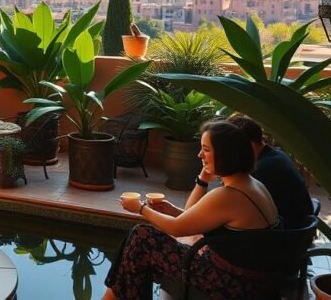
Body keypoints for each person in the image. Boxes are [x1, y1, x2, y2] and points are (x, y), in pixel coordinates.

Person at [102, 121, 280, 300]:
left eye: (206, 149)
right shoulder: (253, 185)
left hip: (233, 284)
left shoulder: (228, 195)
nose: (200, 154)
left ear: (225, 154)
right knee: (137, 247)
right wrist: (200, 182)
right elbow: (191, 218)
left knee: (141, 238)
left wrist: (141, 208)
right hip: (252, 280)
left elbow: (177, 229)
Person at [227, 114, 314, 228]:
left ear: (248, 145)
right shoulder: (276, 154)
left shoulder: (263, 169)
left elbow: (233, 207)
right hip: (298, 227)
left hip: (285, 235)